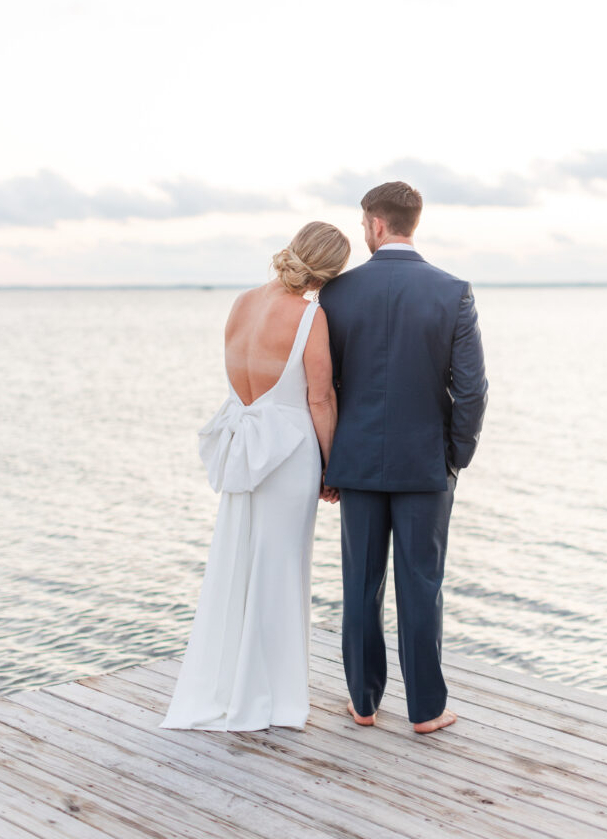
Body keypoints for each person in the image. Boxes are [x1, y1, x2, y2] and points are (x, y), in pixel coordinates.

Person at [159, 221, 350, 732]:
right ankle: (271, 697)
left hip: (246, 442)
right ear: (330, 273)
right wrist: (333, 466)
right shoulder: (311, 316)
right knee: (281, 571)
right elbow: (319, 398)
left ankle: (228, 685)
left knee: (240, 565)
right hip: (288, 452)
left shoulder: (241, 303)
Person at [318, 181, 488, 734]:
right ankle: (426, 710)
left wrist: (330, 460)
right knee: (422, 584)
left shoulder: (336, 294)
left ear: (376, 224)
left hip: (358, 461)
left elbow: (323, 385)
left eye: (364, 224)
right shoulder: (453, 291)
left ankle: (363, 703)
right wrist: (454, 456)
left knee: (360, 584)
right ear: (414, 222)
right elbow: (473, 389)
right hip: (425, 464)